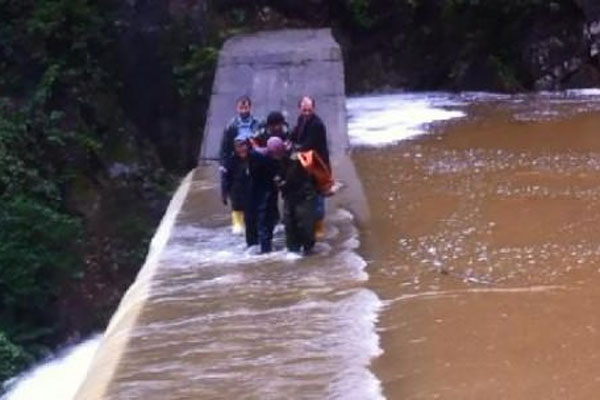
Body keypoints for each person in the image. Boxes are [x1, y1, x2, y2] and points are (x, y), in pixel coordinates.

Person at [290, 96, 331, 239]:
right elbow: (295, 135)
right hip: (306, 163)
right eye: (304, 110)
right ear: (300, 109)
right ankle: (308, 222)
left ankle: (319, 226)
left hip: (318, 164)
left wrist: (295, 148)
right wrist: (289, 141)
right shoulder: (301, 120)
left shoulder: (317, 124)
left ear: (314, 108)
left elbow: (309, 144)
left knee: (319, 193)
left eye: (309, 110)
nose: (306, 112)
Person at [219, 96, 261, 232]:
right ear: (237, 108)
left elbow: (262, 141)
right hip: (235, 160)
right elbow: (225, 146)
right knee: (235, 189)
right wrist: (223, 163)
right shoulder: (231, 125)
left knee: (254, 187)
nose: (243, 110)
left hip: (253, 158)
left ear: (250, 107)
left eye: (246, 107)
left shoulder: (257, 123)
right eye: (241, 107)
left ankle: (254, 219)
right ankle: (237, 222)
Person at [271, 137, 318, 255]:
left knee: (305, 224)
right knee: (289, 224)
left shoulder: (295, 157)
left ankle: (308, 250)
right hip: (290, 195)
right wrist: (278, 179)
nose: (275, 156)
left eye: (276, 153)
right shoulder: (279, 158)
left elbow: (293, 177)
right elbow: (279, 174)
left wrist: (282, 182)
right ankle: (293, 250)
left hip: (304, 195)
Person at [221, 139, 252, 234]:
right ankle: (238, 228)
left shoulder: (254, 158)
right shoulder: (230, 161)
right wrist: (224, 194)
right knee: (238, 227)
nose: (242, 148)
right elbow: (225, 178)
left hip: (251, 191)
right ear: (235, 148)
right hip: (236, 192)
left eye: (243, 146)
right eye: (239, 146)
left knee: (251, 217)